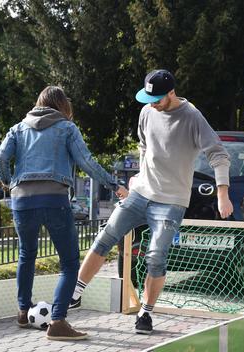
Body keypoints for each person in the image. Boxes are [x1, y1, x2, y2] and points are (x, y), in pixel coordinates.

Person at [69, 69, 234, 334]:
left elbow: (218, 154)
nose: (153, 103)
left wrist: (222, 193)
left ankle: (145, 313)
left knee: (155, 256)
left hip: (171, 201)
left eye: (157, 98)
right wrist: (139, 175)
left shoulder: (192, 117)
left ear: (171, 93)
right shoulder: (146, 111)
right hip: (141, 193)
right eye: (149, 98)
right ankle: (75, 294)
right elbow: (145, 145)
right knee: (106, 236)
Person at [0, 86, 128, 341]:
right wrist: (114, 185)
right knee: (68, 263)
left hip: (22, 200)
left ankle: (23, 312)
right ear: (62, 106)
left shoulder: (19, 128)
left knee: (26, 254)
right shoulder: (67, 128)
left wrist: (9, 182)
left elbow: (0, 157)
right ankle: (57, 321)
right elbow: (86, 162)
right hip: (54, 199)